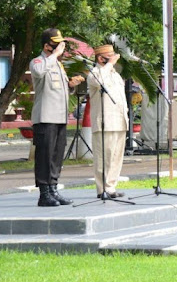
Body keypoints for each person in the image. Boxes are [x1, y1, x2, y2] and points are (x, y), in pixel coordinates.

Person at [29, 28, 85, 206]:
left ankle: (53, 189)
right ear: (47, 46)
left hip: (60, 117)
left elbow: (58, 89)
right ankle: (44, 193)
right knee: (44, 156)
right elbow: (38, 73)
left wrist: (70, 85)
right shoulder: (38, 61)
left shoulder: (58, 65)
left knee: (56, 156)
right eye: (56, 44)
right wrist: (56, 55)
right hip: (45, 117)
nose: (60, 47)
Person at [87, 44, 129, 198]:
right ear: (100, 58)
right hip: (105, 122)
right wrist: (110, 64)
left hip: (119, 120)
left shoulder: (115, 74)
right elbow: (99, 82)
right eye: (110, 55)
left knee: (116, 156)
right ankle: (102, 189)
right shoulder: (95, 73)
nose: (114, 58)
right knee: (103, 157)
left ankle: (111, 187)